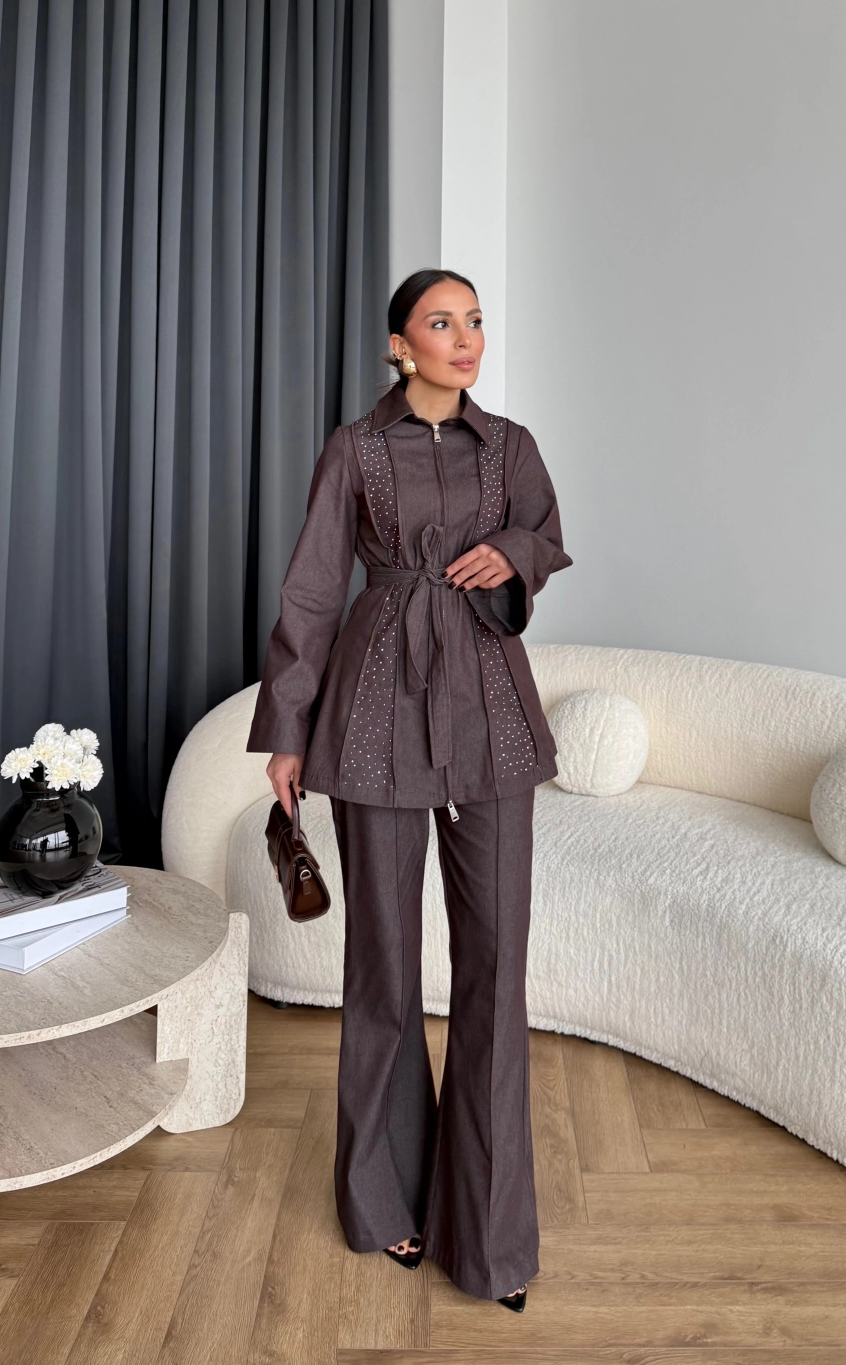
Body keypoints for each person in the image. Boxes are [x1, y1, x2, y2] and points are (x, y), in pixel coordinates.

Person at [247, 268, 572, 1310]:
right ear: (400, 344)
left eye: (474, 321)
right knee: (383, 963)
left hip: (491, 712)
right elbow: (310, 590)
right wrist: (286, 733)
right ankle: (385, 1198)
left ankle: (489, 1240)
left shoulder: (511, 446)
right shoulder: (354, 449)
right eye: (442, 322)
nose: (465, 338)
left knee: (496, 972)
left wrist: (511, 552)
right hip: (375, 709)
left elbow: (548, 535)